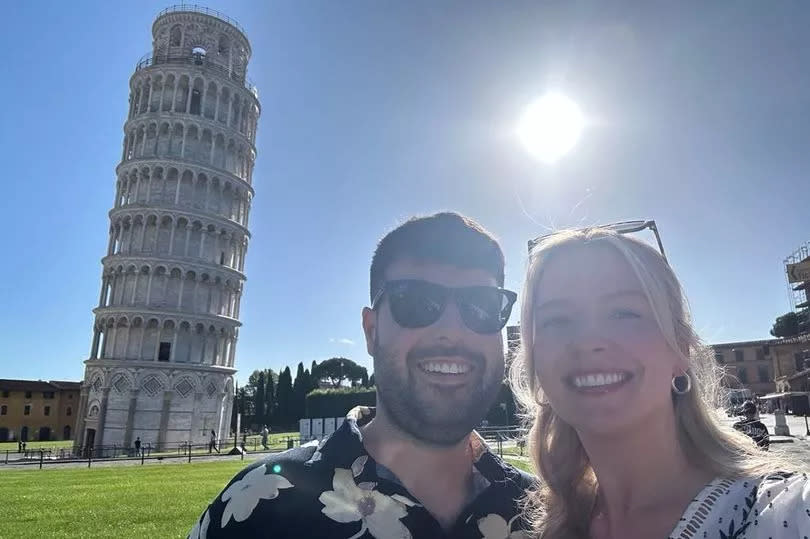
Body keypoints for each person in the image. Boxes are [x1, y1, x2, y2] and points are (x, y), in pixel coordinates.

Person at [190, 212, 535, 538]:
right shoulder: (257, 508)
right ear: (371, 331)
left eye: (483, 306)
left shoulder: (548, 514)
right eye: (416, 302)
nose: (452, 330)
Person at [510, 226, 810, 538]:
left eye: (623, 313)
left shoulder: (788, 513)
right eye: (557, 319)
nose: (588, 340)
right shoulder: (544, 525)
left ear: (680, 349)